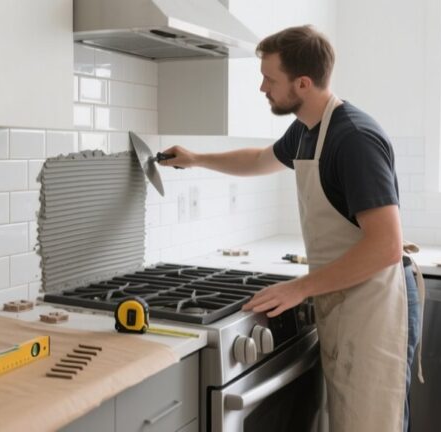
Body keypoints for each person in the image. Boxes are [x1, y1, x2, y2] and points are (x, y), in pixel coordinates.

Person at [158, 25, 423, 432]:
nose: (262, 87)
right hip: (343, 297)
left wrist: (299, 288)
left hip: (376, 304)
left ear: (302, 83)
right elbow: (261, 159)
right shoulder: (307, 129)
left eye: (270, 78)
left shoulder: (353, 138)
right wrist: (196, 158)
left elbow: (385, 245)